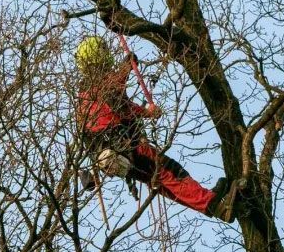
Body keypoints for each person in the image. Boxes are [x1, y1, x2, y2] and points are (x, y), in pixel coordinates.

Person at [75, 36, 234, 221]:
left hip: (112, 156)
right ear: (100, 55)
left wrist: (145, 112)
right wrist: (128, 66)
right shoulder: (100, 82)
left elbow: (120, 108)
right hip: (125, 146)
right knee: (170, 170)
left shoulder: (83, 95)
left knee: (160, 182)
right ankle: (211, 203)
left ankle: (217, 208)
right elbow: (117, 92)